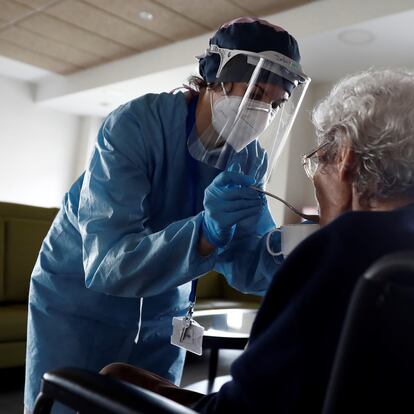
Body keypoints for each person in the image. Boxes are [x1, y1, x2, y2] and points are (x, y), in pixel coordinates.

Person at [24, 17, 310, 413]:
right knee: (68, 402)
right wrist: (205, 233)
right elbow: (107, 264)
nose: (262, 111)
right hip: (79, 303)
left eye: (275, 103)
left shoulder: (250, 158)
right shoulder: (136, 125)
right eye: (256, 93)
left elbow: (246, 266)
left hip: (165, 303)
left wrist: (293, 247)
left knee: (153, 406)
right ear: (216, 77)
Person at [99, 68, 414, 413]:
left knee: (113, 376)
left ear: (344, 159)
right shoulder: (397, 250)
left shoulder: (337, 249)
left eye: (318, 159)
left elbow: (243, 408)